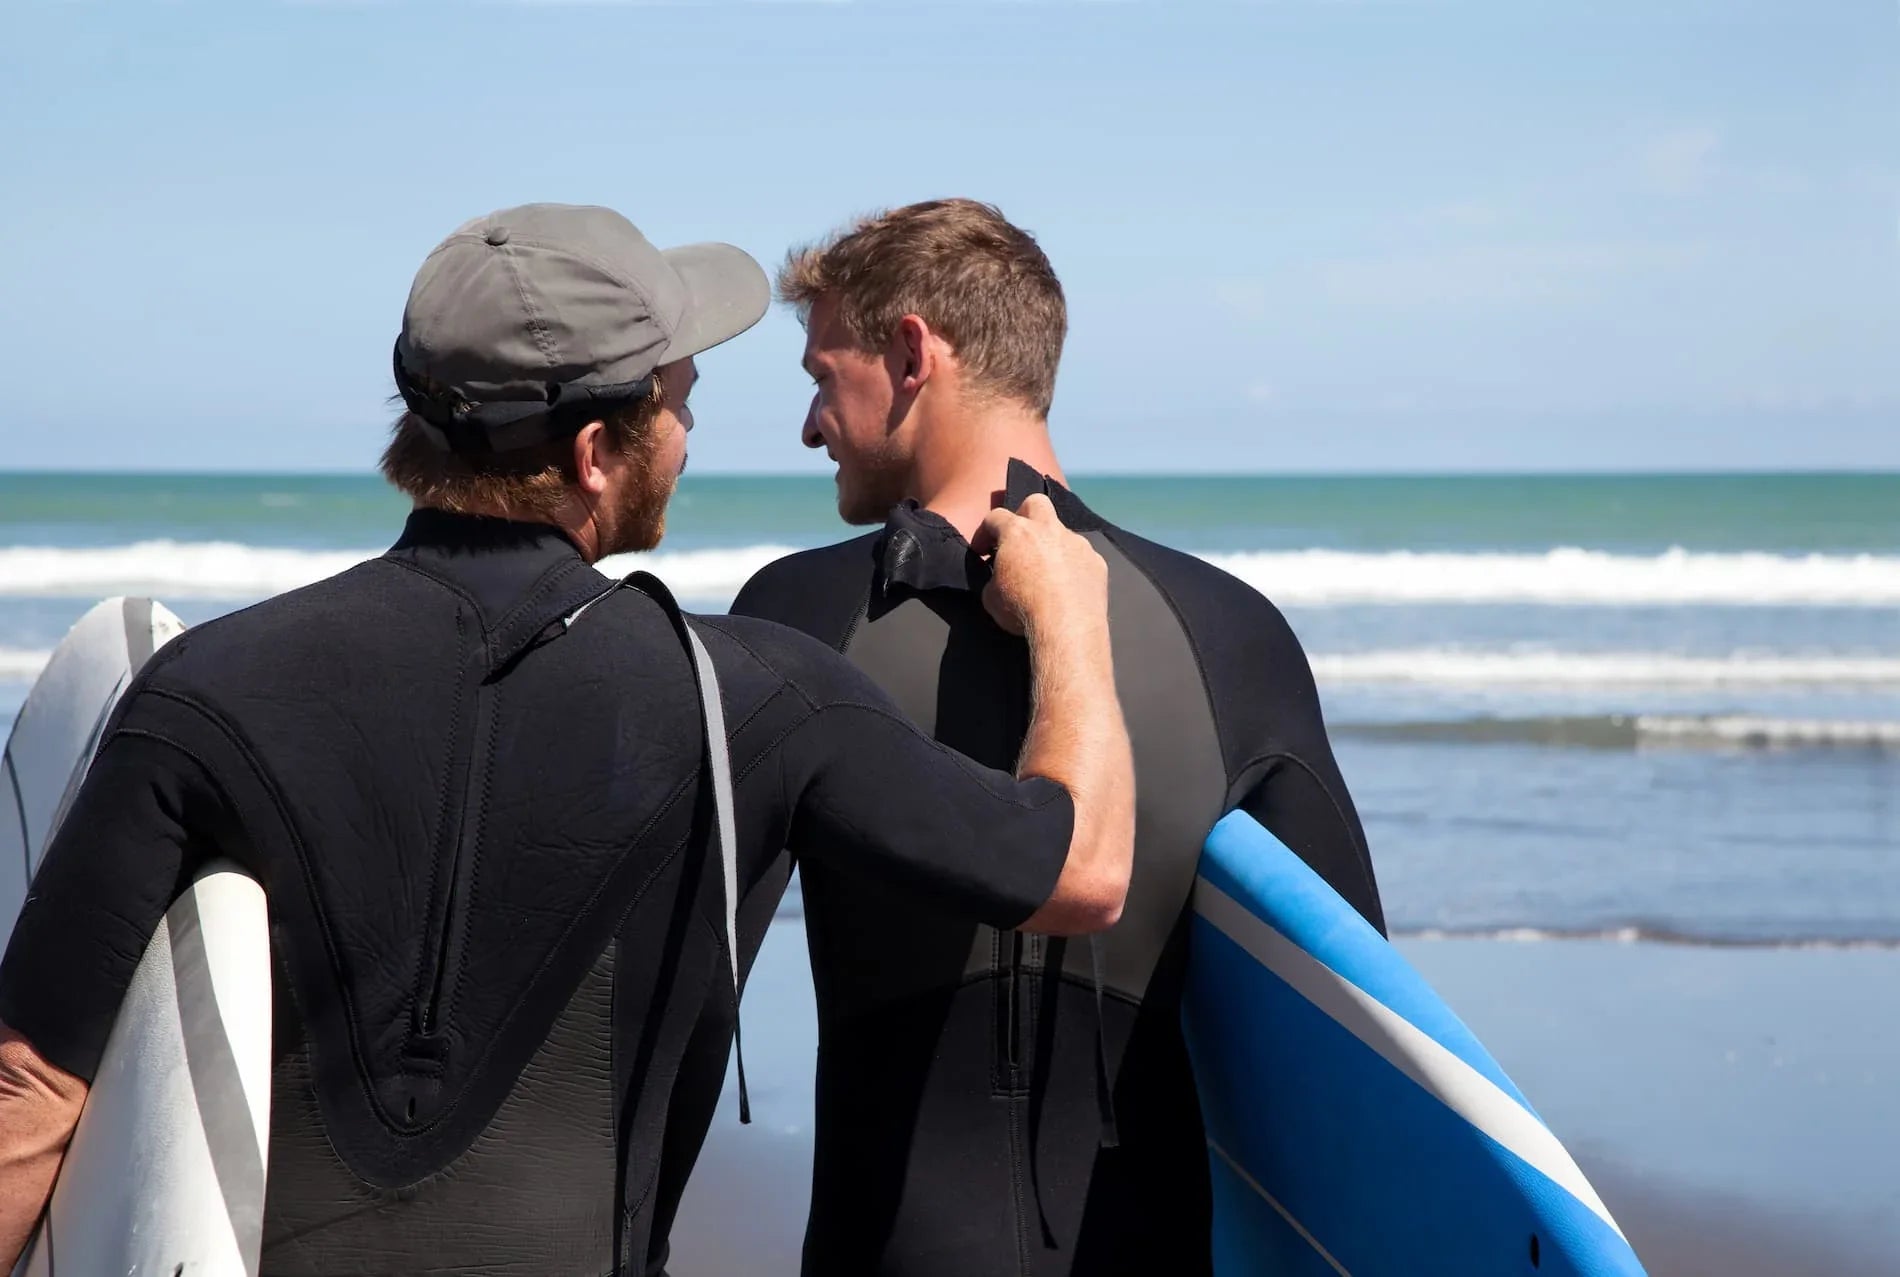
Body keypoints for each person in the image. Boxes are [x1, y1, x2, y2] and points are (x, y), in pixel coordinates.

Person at [0, 202, 1137, 1277]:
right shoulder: (755, 699)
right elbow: (1075, 869)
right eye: (680, 401)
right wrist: (1071, 618)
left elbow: (31, 1090)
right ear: (596, 452)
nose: (690, 435)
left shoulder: (205, 688)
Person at [731, 198, 1387, 1276]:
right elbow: (1353, 1033)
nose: (810, 425)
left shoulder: (798, 619)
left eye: (820, 373)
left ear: (908, 353)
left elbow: (679, 982)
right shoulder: (1227, 632)